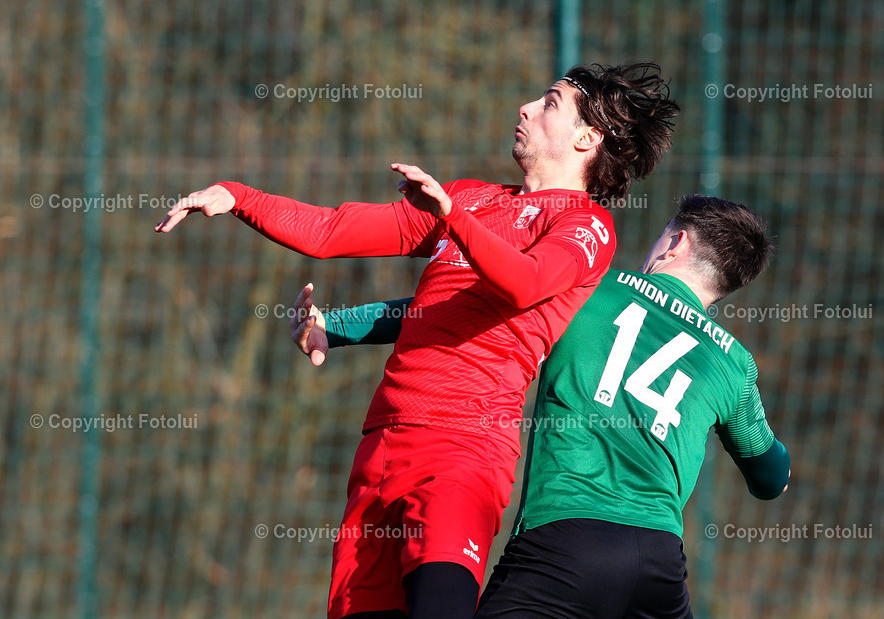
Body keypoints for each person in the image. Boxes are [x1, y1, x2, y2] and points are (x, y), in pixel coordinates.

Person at [155, 63, 679, 619]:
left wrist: (451, 218)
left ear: (587, 138)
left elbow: (524, 284)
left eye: (549, 102)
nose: (525, 108)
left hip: (463, 451)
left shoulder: (586, 224)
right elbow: (335, 231)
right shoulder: (471, 198)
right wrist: (237, 196)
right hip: (380, 446)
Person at [296, 195, 789, 619]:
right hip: (659, 564)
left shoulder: (590, 288)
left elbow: (455, 309)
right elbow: (770, 476)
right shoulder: (734, 363)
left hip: (564, 541)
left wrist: (337, 325)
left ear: (676, 243)